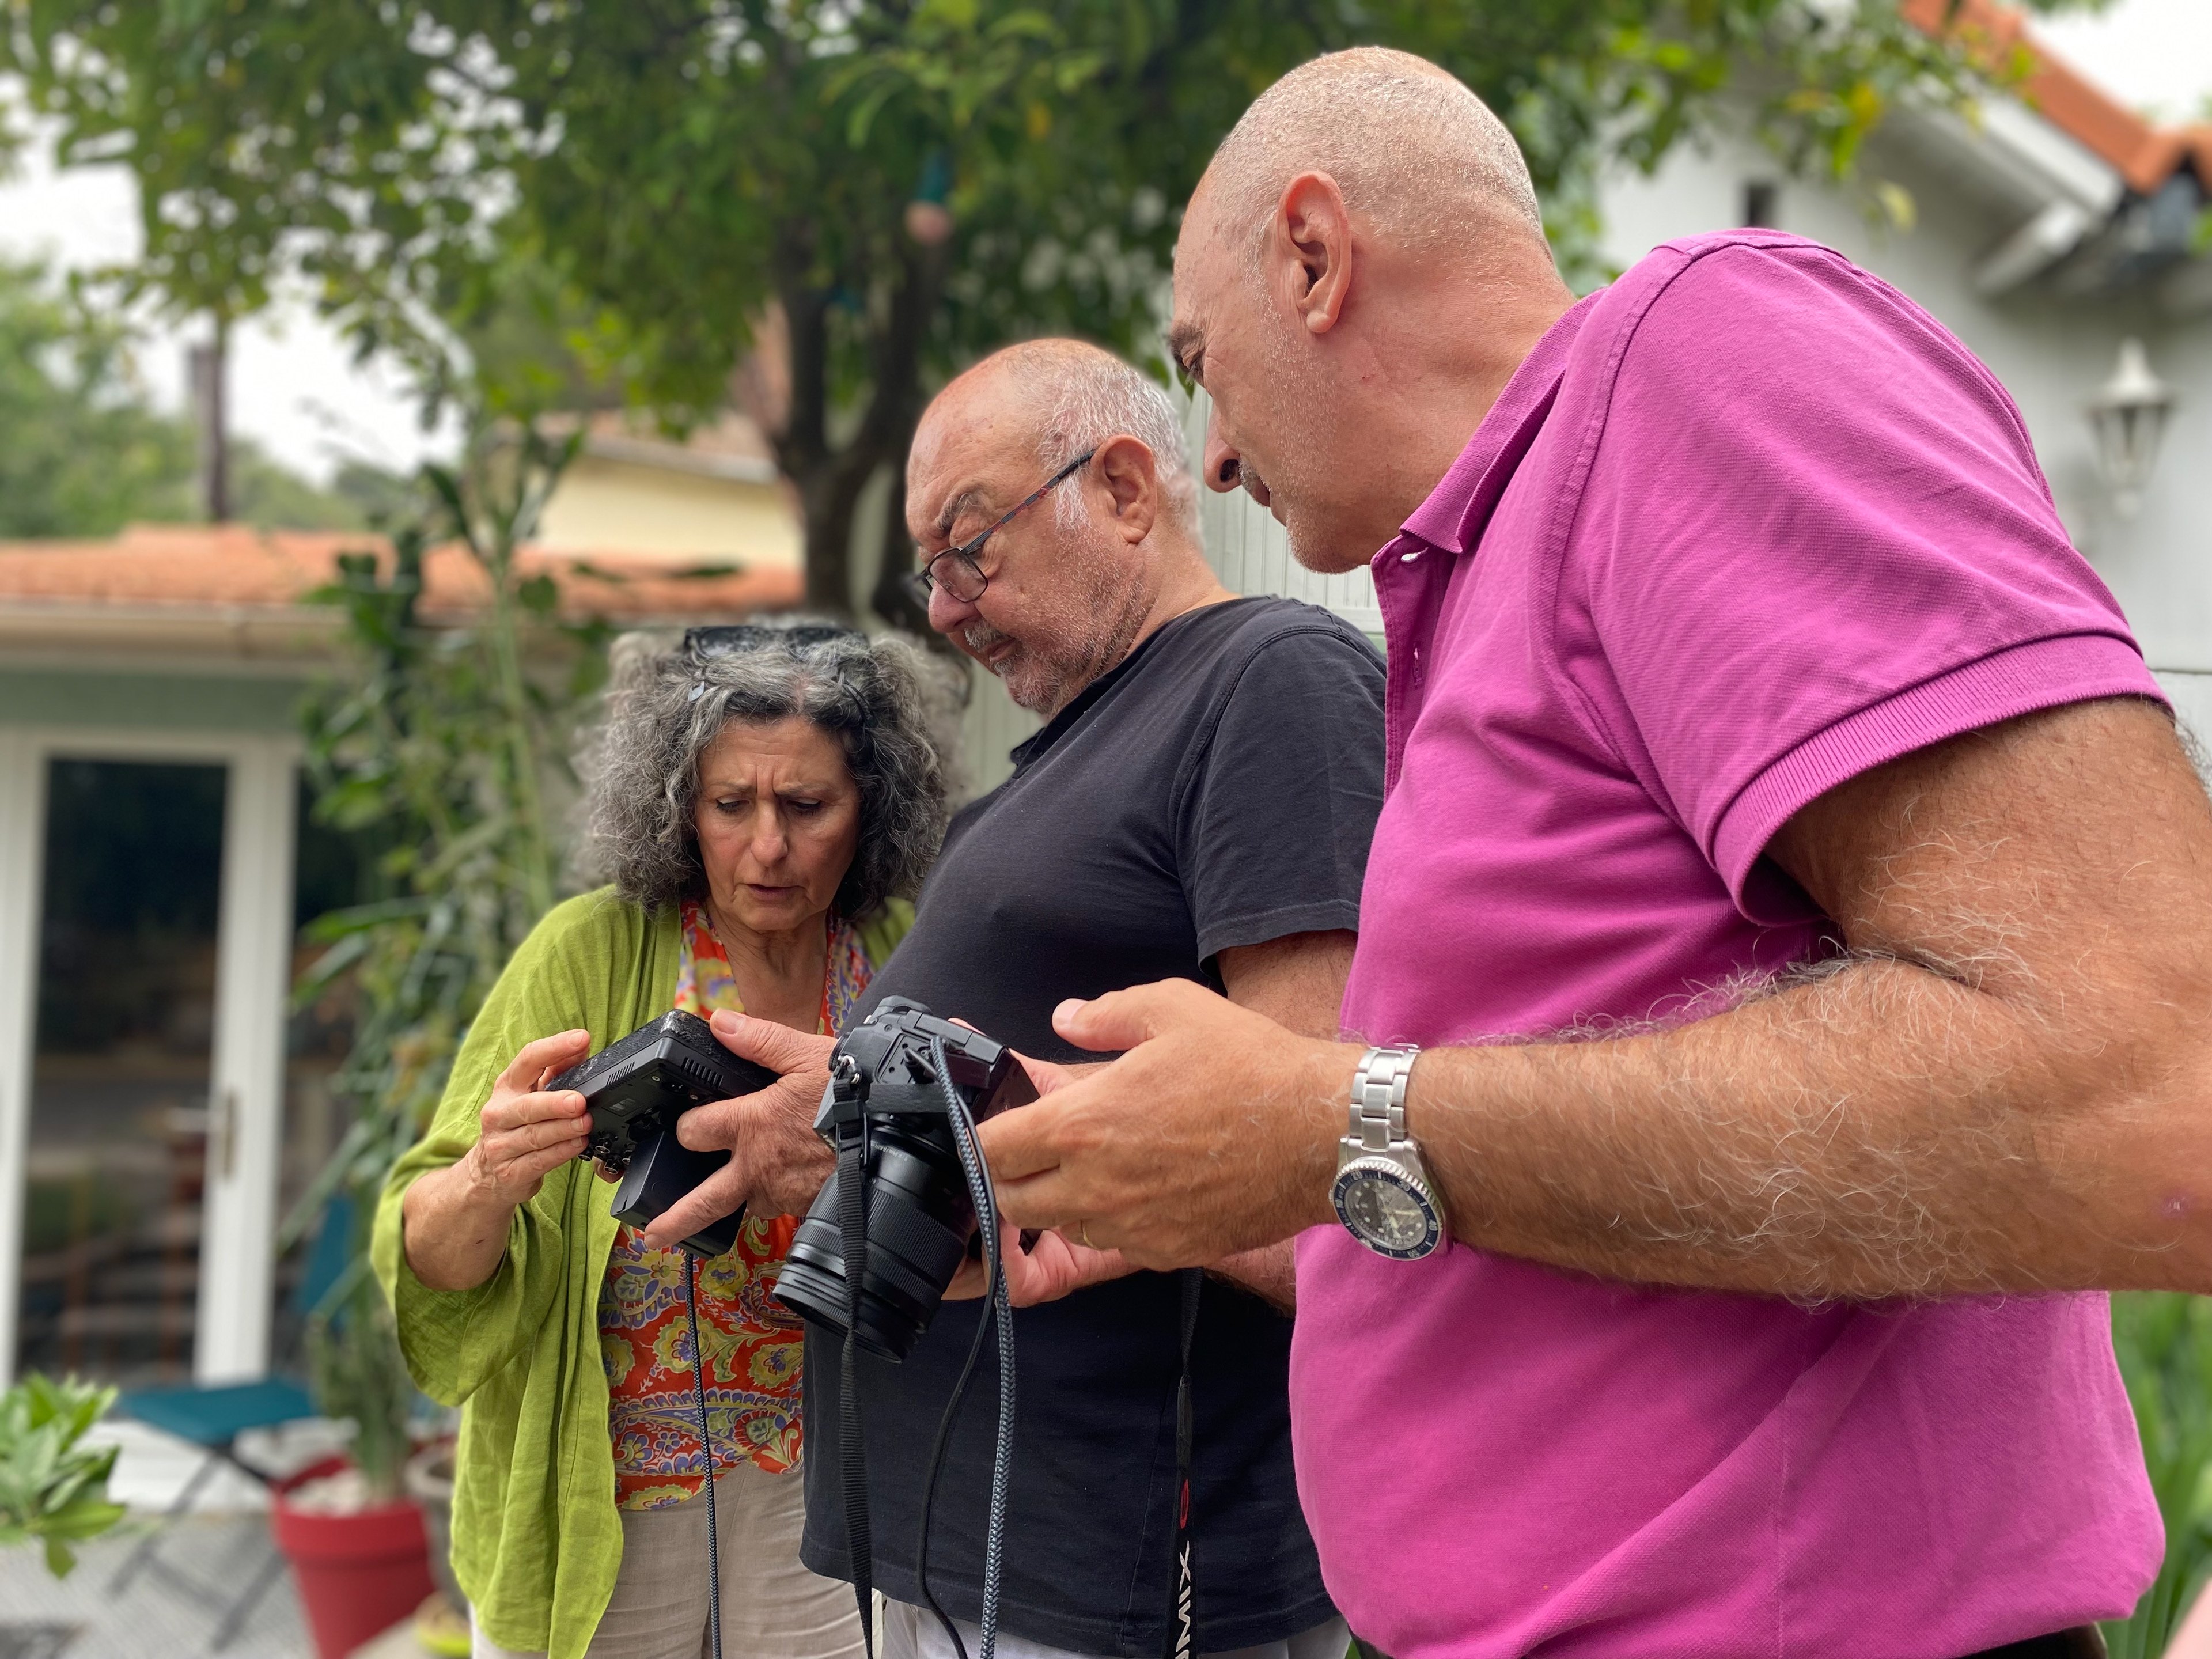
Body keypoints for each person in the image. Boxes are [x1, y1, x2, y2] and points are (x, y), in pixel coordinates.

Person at [970, 47, 2212, 1659]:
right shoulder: (1496, 565)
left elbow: (2150, 1090)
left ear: (1315, 256)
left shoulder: (1697, 354)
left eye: (1203, 363)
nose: (1212, 450)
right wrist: (1202, 1173)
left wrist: (1342, 1116)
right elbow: (1546, 1185)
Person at [647, 339, 1378, 1659]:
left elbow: (1318, 1179)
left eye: (970, 546)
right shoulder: (1072, 754)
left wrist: (912, 1135)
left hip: (1111, 1573)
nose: (945, 608)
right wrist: (845, 1111)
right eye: (929, 570)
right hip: (972, 1556)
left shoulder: (1270, 679)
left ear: (1124, 489)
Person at [371, 622, 959, 1659]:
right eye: (732, 805)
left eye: (808, 806)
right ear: (679, 804)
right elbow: (431, 1256)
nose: (768, 847)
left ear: (874, 807)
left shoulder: (901, 954)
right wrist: (488, 1179)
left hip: (829, 1488)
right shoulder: (587, 949)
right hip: (608, 1494)